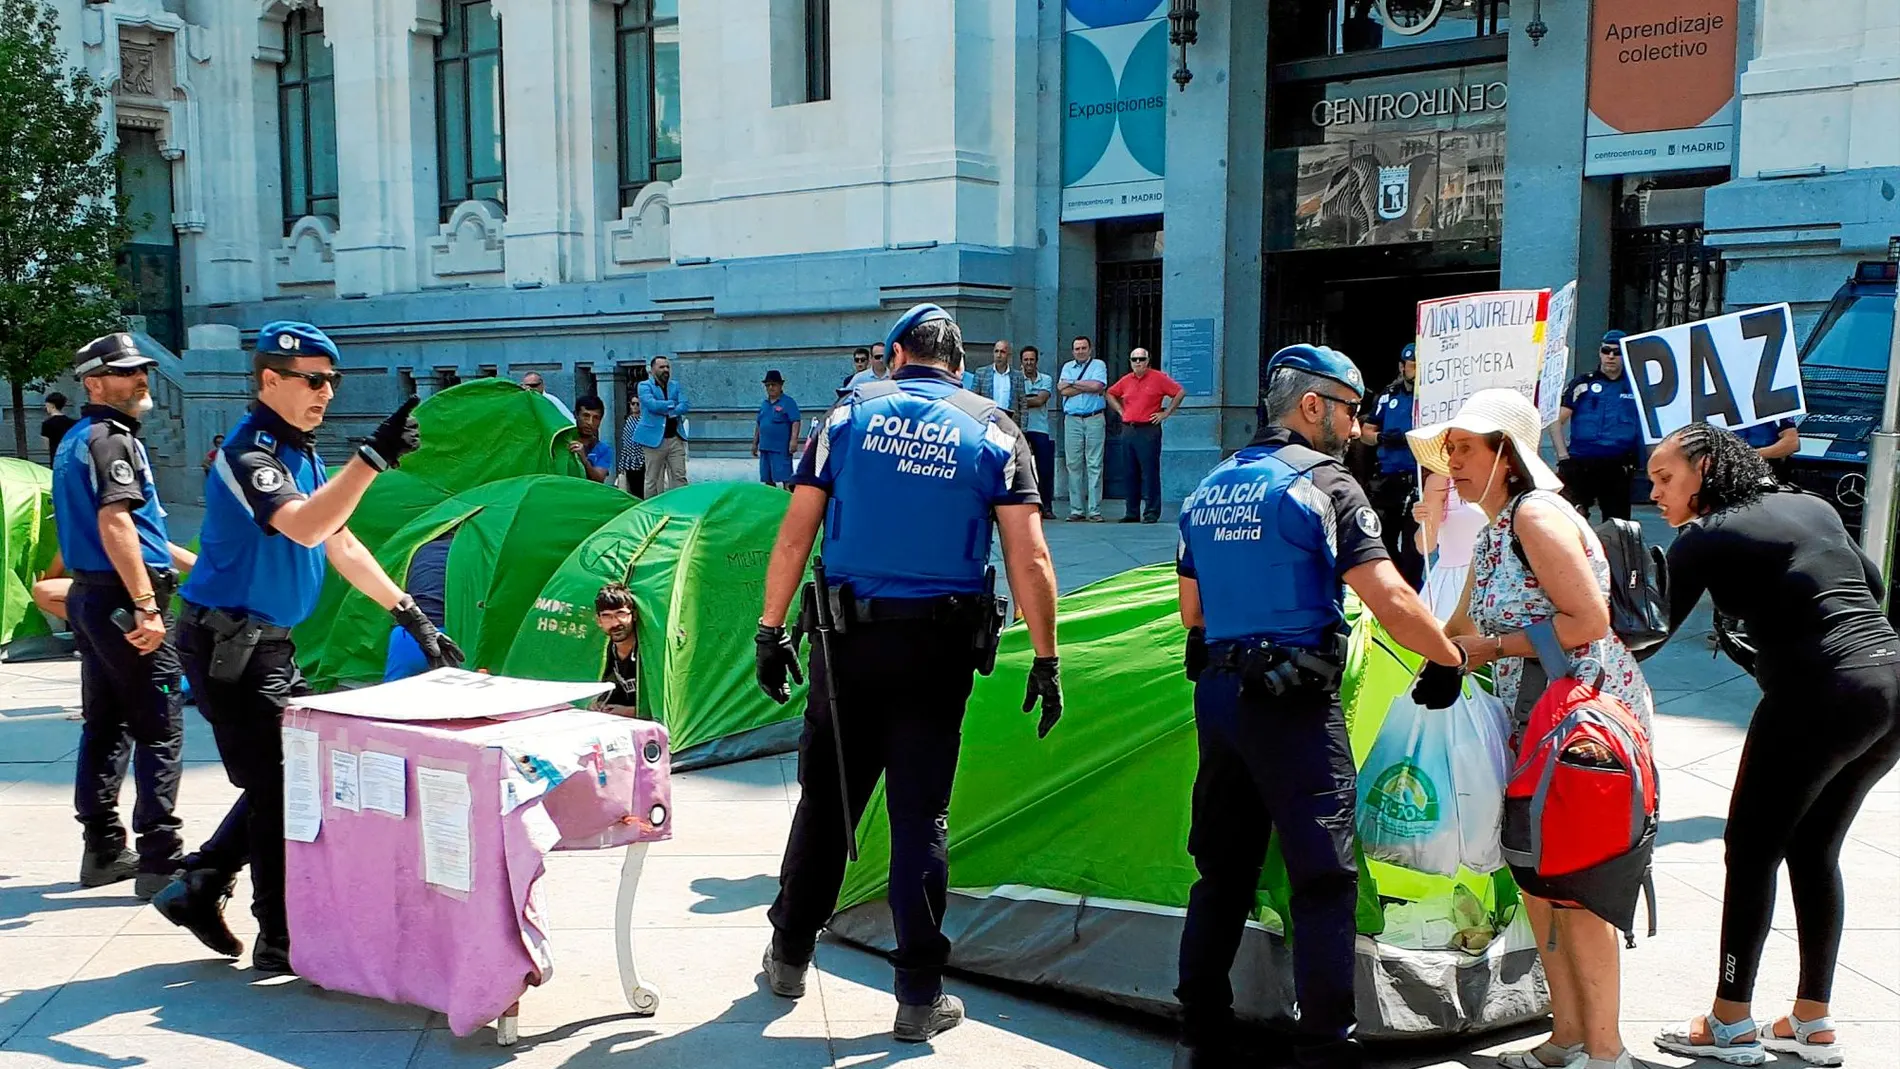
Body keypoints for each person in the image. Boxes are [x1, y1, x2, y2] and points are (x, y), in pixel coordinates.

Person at [752, 302, 1063, 1043]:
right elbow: (1031, 557)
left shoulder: (848, 417)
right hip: (938, 650)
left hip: (847, 643)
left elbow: (795, 533)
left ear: (896, 355)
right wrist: (1047, 658)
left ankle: (790, 953)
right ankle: (919, 994)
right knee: (921, 814)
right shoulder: (994, 428)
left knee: (829, 798)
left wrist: (769, 630)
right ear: (959, 363)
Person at [1171, 343, 1466, 1069]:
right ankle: (1325, 1045)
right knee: (1324, 877)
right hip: (1292, 703)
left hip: (1221, 696)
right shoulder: (1325, 482)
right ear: (1313, 406)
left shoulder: (1210, 484)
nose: (1356, 423)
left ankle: (1201, 1022)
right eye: (1349, 408)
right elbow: (1390, 595)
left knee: (1223, 870)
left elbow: (1191, 612)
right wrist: (1449, 656)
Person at [151, 320, 463, 974]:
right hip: (228, 647)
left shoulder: (300, 449)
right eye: (313, 380)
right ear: (271, 379)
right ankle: (280, 937)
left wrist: (411, 616)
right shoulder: (250, 454)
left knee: (290, 773)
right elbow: (303, 526)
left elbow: (339, 539)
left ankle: (202, 881)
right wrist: (372, 459)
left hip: (268, 648)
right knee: (284, 786)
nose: (326, 392)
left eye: (333, 380)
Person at [1407, 388, 1654, 1069]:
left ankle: (1606, 1052)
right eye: (1448, 449)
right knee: (1539, 882)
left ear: (1506, 457)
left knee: (1579, 887)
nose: (1450, 463)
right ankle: (1567, 1036)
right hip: (1532, 723)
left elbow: (1588, 622)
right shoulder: (1491, 532)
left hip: (1582, 725)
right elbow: (1455, 628)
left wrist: (1491, 648)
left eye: (1464, 449)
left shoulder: (1537, 515)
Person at [1646, 425, 1900, 1068]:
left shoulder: (1702, 536)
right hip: (1890, 683)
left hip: (1822, 692)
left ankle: (1730, 1020)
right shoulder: (1811, 506)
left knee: (1751, 848)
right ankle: (1813, 1020)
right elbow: (1868, 587)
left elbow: (1648, 634)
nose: (1656, 492)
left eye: (1665, 478)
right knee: (1814, 847)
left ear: (1703, 469)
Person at [50, 334, 200, 900]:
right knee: (160, 727)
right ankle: (161, 859)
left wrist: (196, 571)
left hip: (93, 598)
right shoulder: (112, 441)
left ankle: (104, 847)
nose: (140, 380)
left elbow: (144, 534)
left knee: (105, 723)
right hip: (122, 601)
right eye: (124, 373)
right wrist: (145, 605)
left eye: (141, 370)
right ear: (93, 383)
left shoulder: (74, 439)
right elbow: (118, 526)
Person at [1554, 331, 1642, 523]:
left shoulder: (1635, 387)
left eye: (1616, 352)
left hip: (1617, 465)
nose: (1611, 356)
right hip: (1580, 463)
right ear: (1600, 353)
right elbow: (1555, 421)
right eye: (1606, 351)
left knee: (1617, 524)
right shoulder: (1583, 383)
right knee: (1571, 519)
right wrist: (1563, 457)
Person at [1358, 344, 1424, 588]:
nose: (1416, 371)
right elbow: (1366, 430)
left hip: (1416, 478)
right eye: (1413, 365)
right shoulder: (1388, 395)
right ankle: (1393, 587)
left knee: (1412, 548)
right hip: (1388, 479)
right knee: (1381, 540)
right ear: (1402, 367)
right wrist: (1382, 438)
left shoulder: (1430, 396)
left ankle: (1412, 592)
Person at [1105, 347, 1184, 524]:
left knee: (1149, 472)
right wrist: (1120, 410)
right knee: (1129, 471)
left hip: (1148, 429)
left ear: (1148, 361)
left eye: (1141, 359)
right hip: (1129, 428)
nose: (1138, 362)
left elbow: (1179, 392)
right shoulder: (1126, 380)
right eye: (1134, 359)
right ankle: (1131, 512)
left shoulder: (1158, 377)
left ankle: (1151, 512)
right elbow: (1110, 393)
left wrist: (1166, 413)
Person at [1411, 472, 1488, 623]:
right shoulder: (1440, 481)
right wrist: (1424, 522)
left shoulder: (1502, 476)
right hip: (1455, 582)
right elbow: (1425, 547)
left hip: (1500, 574)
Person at [1058, 335, 1109, 522]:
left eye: (1083, 348)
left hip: (1094, 418)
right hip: (1072, 420)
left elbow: (1097, 386)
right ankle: (1076, 510)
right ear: (1073, 351)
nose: (1080, 351)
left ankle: (1094, 510)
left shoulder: (1099, 365)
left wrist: (1072, 383)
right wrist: (1086, 386)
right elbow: (1062, 390)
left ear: (1090, 349)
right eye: (1077, 348)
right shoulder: (1067, 367)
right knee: (1073, 464)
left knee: (1095, 464)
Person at [633, 355, 690, 497]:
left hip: (675, 438)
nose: (666, 370)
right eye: (661, 367)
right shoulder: (644, 386)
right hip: (653, 441)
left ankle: (682, 507)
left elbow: (685, 405)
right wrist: (672, 404)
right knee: (652, 479)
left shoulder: (675, 385)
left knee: (679, 476)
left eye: (667, 367)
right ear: (652, 370)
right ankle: (651, 510)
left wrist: (670, 410)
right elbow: (652, 405)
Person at [1020, 346, 1057, 519]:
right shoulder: (1016, 379)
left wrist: (1023, 399)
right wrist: (1029, 399)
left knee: (1045, 470)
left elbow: (1041, 399)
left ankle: (1047, 506)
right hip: (1020, 427)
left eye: (1031, 359)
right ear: (1021, 361)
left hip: (1040, 428)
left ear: (1036, 361)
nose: (1029, 363)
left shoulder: (1046, 379)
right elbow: (1020, 401)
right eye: (1026, 359)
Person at [595, 581, 640, 713]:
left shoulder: (648, 652)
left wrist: (631, 711)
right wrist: (599, 705)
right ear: (599, 621)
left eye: (621, 614)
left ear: (634, 615)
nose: (615, 623)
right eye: (607, 616)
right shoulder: (610, 652)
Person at [754, 370, 802, 489]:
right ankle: (772, 504)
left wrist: (794, 440)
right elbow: (759, 424)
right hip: (765, 448)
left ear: (780, 385)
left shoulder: (788, 402)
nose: (770, 387)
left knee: (786, 478)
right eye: (768, 385)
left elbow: (795, 421)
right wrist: (755, 443)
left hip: (780, 449)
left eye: (773, 384)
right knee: (768, 479)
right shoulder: (764, 404)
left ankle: (788, 502)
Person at [966, 340, 1027, 427]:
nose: (999, 355)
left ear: (1008, 355)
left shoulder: (1017, 376)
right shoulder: (981, 373)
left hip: (1010, 425)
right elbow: (974, 400)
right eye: (996, 351)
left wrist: (1023, 430)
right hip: (987, 423)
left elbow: (1023, 404)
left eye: (1002, 352)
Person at [1736, 416, 1799, 481]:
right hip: (1729, 467)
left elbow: (1791, 444)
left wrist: (1748, 456)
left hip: (1766, 467)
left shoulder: (1778, 408)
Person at [570, 395, 613, 482]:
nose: (590, 422)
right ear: (576, 415)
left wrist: (584, 460)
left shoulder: (604, 449)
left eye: (596, 418)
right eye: (586, 416)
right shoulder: (564, 441)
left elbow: (599, 478)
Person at [616, 393, 647, 498]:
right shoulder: (628, 420)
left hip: (641, 458)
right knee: (631, 487)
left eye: (638, 404)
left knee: (641, 486)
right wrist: (622, 462)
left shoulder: (644, 420)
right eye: (633, 403)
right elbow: (625, 441)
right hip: (629, 459)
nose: (635, 406)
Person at [41, 391, 76, 462]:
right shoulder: (72, 422)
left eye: (47, 405)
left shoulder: (47, 423)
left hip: (55, 456)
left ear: (52, 405)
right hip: (70, 456)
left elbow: (46, 445)